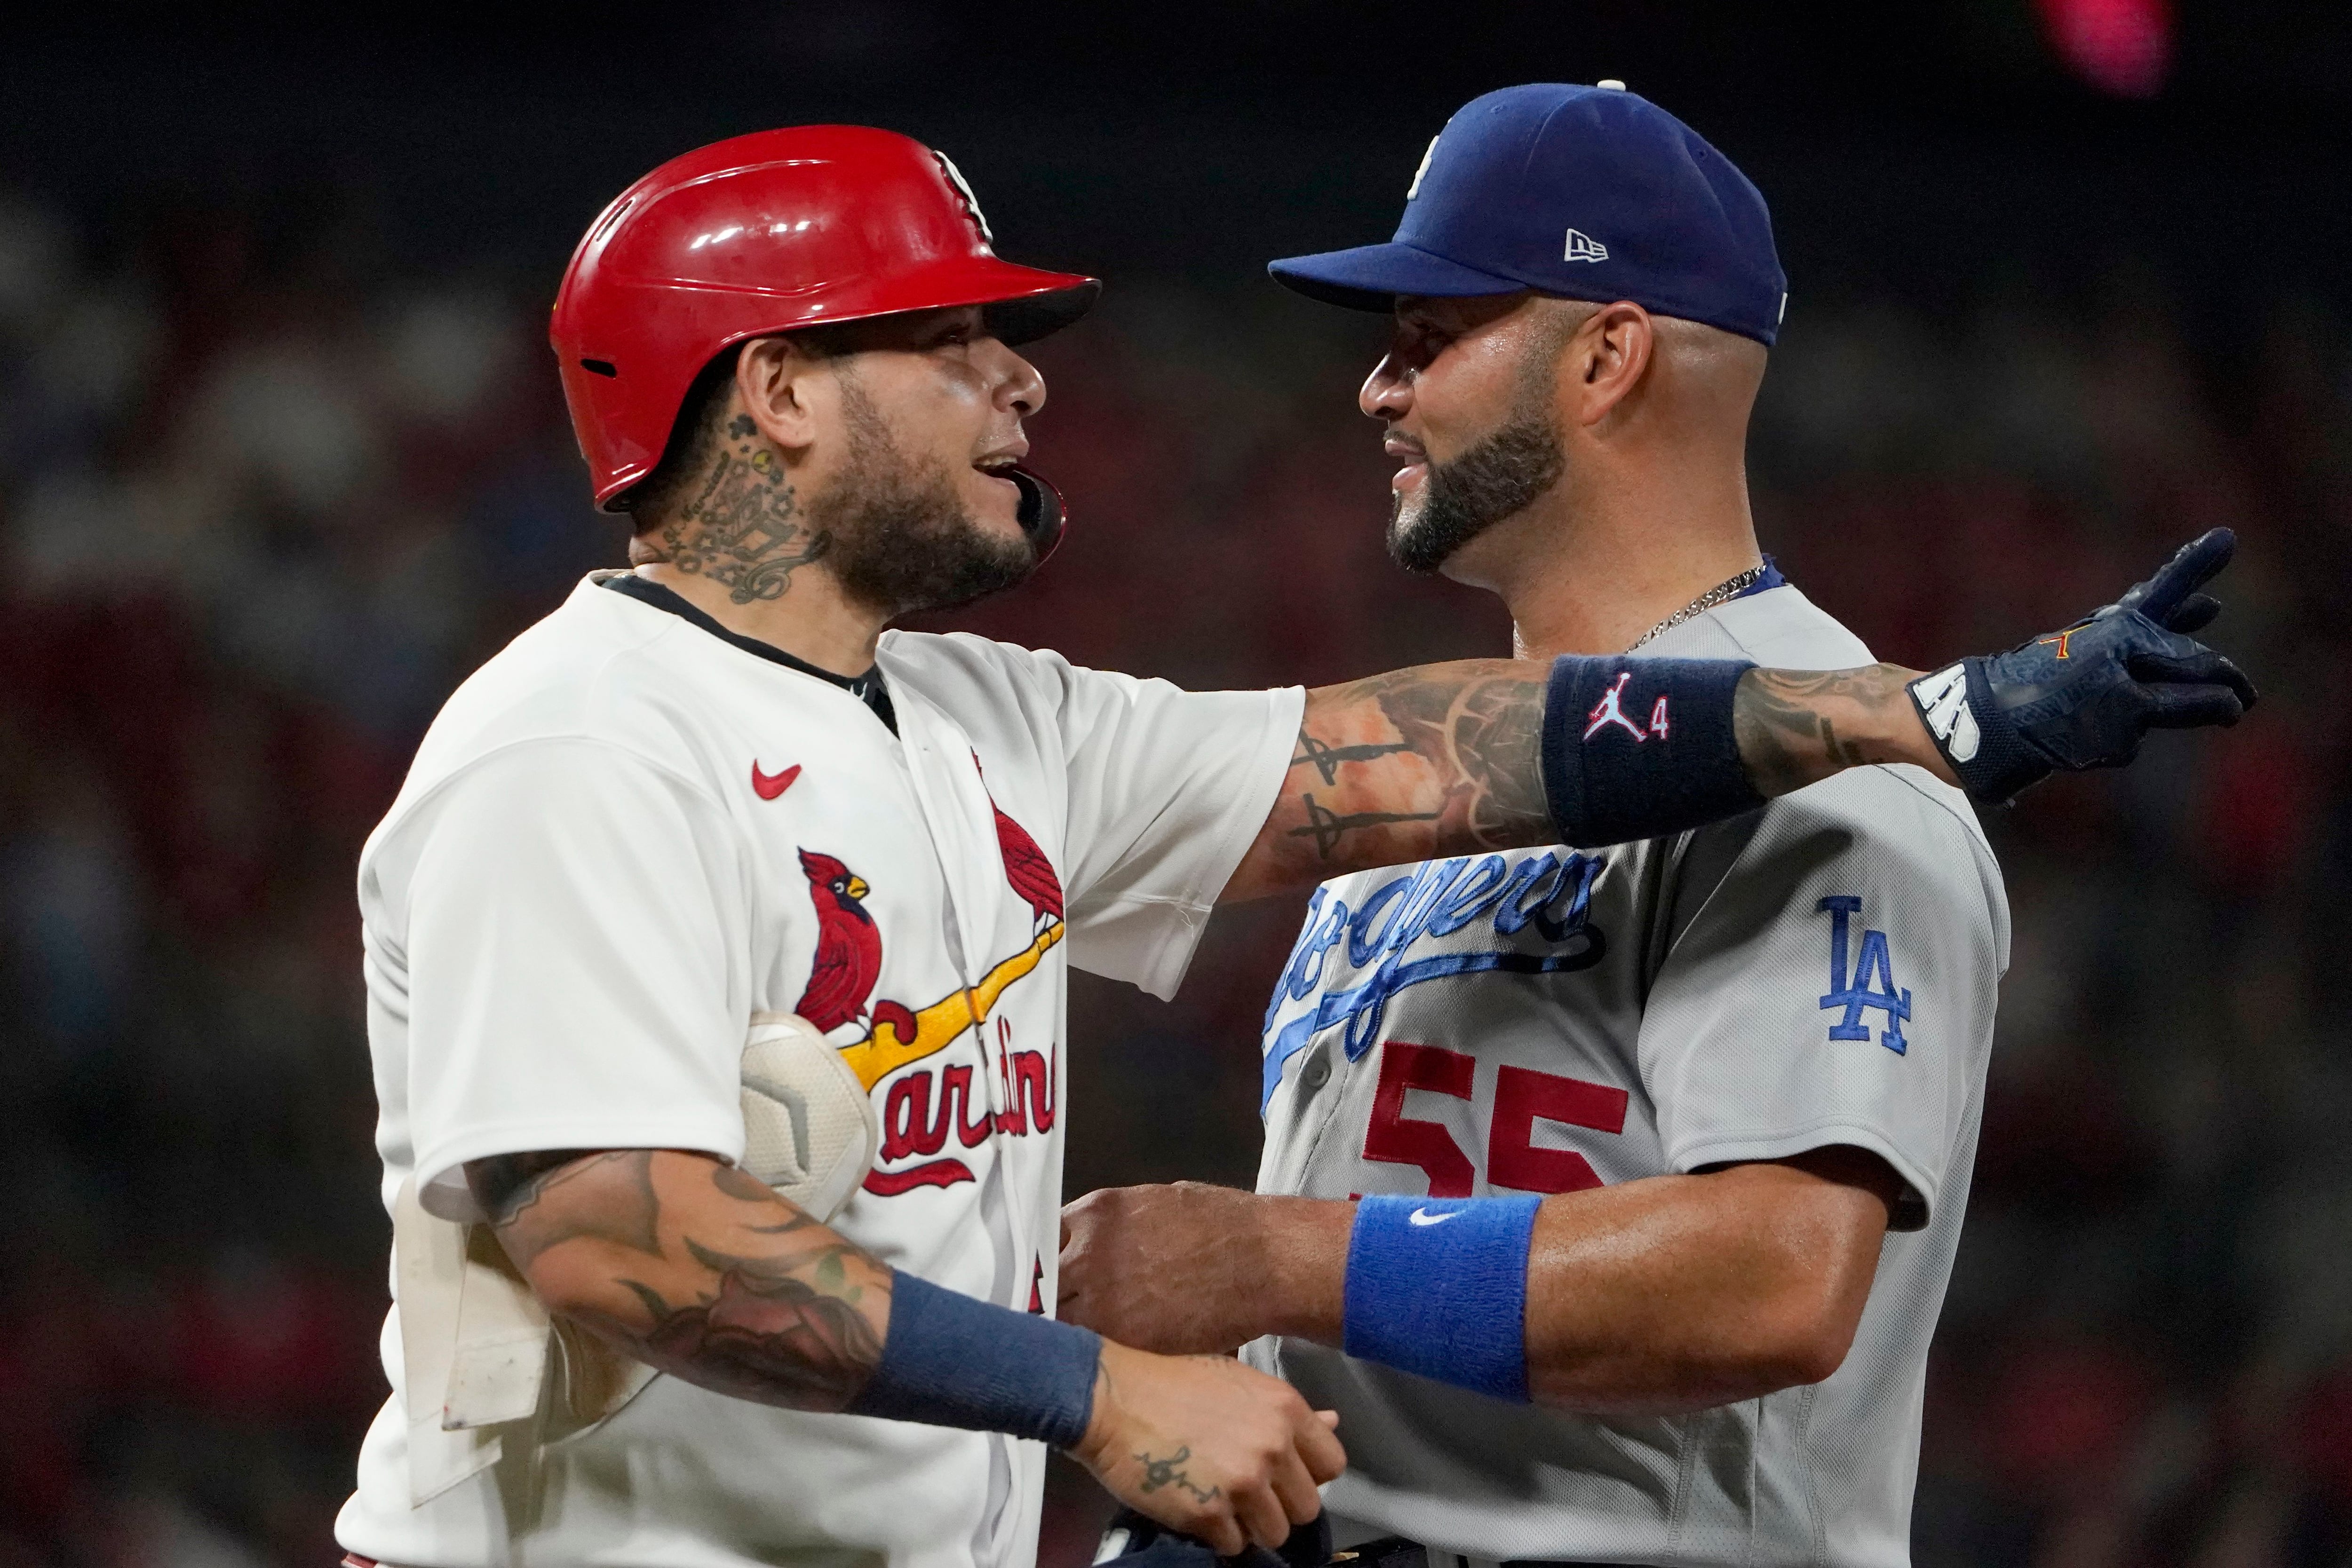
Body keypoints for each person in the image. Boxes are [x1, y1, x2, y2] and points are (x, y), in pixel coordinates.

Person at [334, 124, 2252, 1568]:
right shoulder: (578, 745)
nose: (1025, 377)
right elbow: (610, 1237)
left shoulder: (999, 725)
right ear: (771, 394)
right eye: (955, 340)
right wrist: (1099, 1396)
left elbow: (1429, 755)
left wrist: (1920, 713)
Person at [1057, 84, 2253, 1568]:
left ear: (1607, 356)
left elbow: (1775, 1282)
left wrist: (1261, 1260)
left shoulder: (1831, 774)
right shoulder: (1445, 770)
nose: (1377, 389)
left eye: (1430, 338)